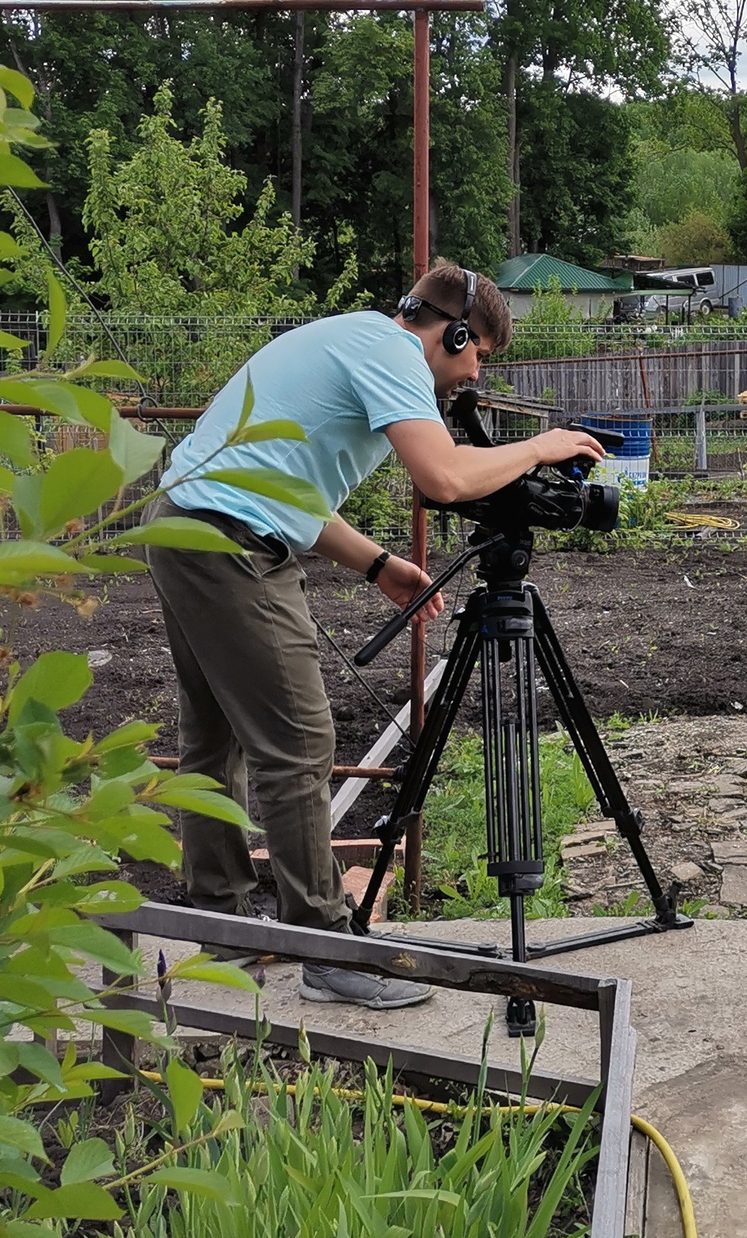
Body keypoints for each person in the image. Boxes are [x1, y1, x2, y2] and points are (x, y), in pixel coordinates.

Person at [149, 263, 606, 1009]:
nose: (473, 373)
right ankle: (330, 949)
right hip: (229, 542)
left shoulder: (350, 339)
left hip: (185, 524)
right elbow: (446, 477)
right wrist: (541, 445)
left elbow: (285, 482)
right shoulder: (393, 354)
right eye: (478, 354)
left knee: (214, 739)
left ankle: (222, 924)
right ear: (453, 332)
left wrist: (376, 563)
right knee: (296, 741)